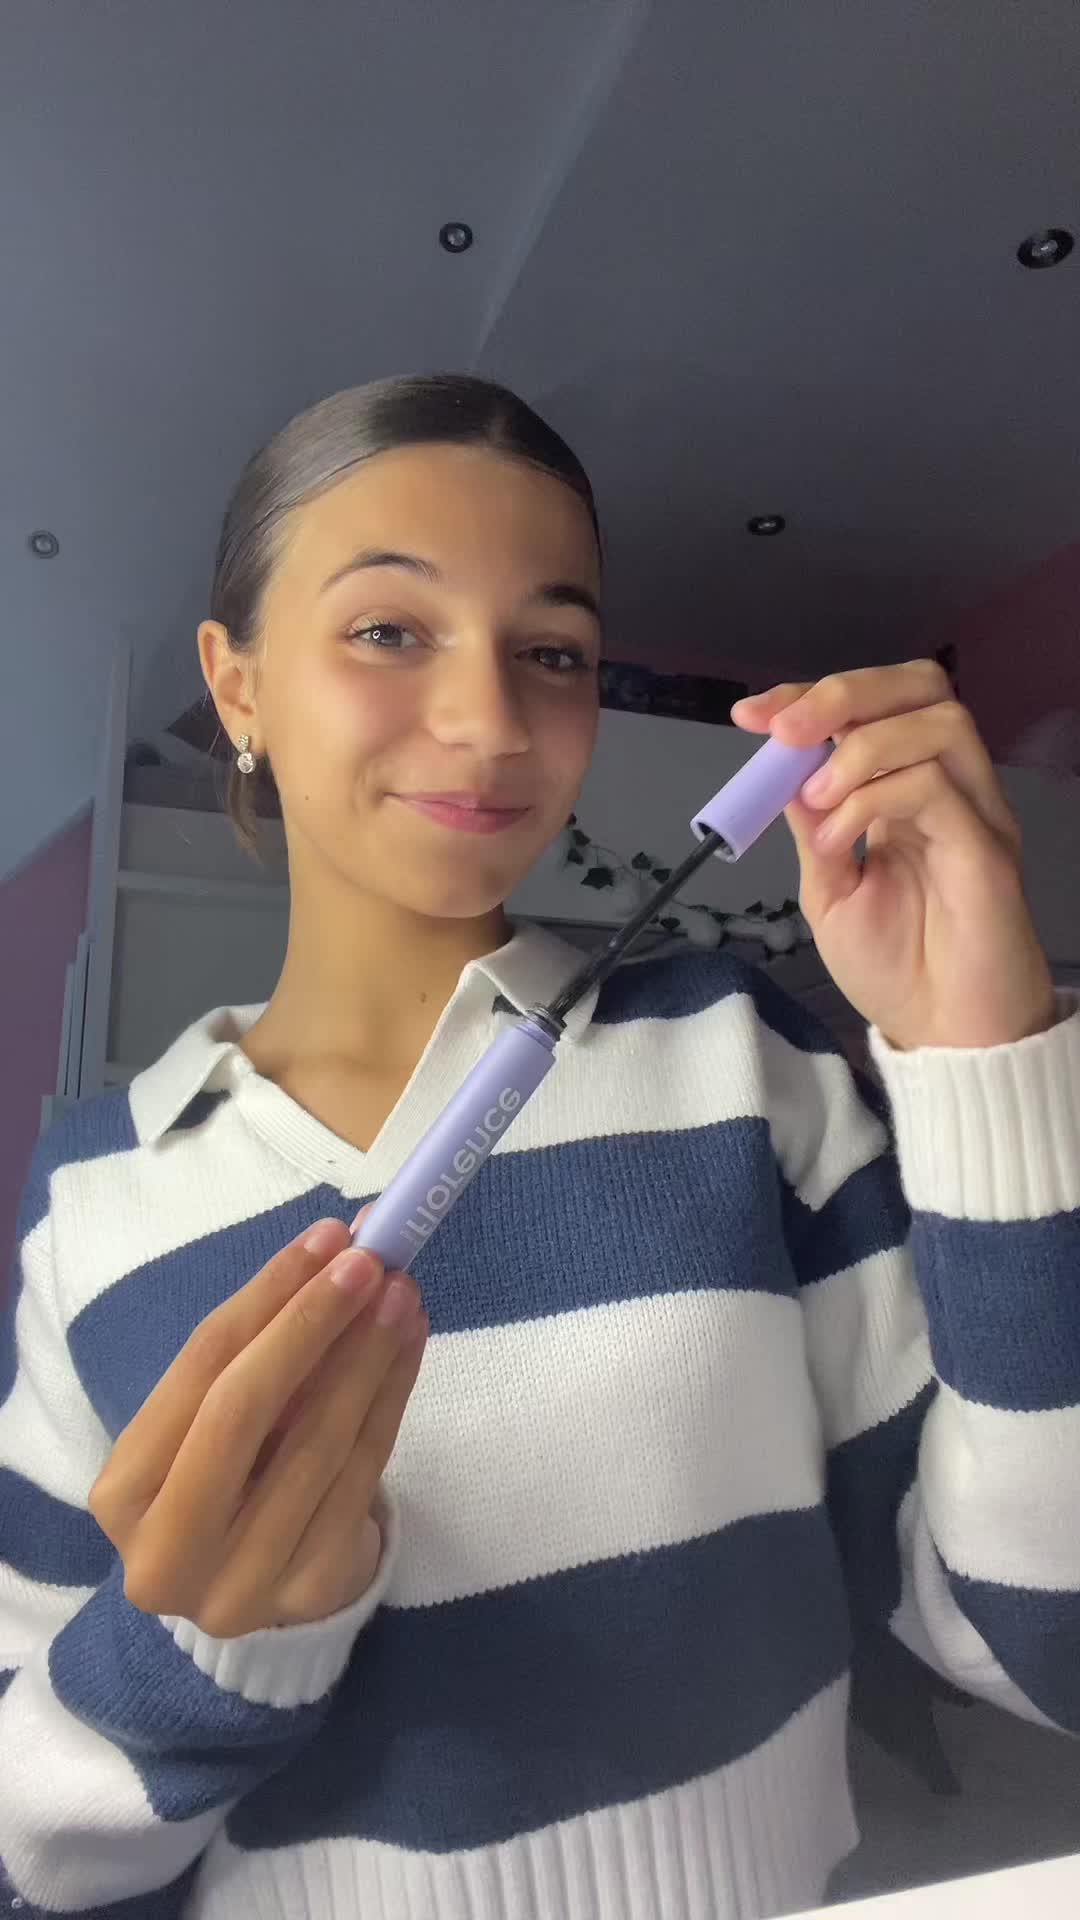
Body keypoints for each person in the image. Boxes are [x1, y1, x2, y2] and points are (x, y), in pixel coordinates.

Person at [1, 374, 1077, 1920]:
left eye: (555, 653)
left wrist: (989, 1057)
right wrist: (195, 1655)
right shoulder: (95, 1202)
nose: (492, 725)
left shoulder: (740, 1063)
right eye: (390, 628)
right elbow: (28, 1859)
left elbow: (1045, 1644)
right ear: (235, 686)